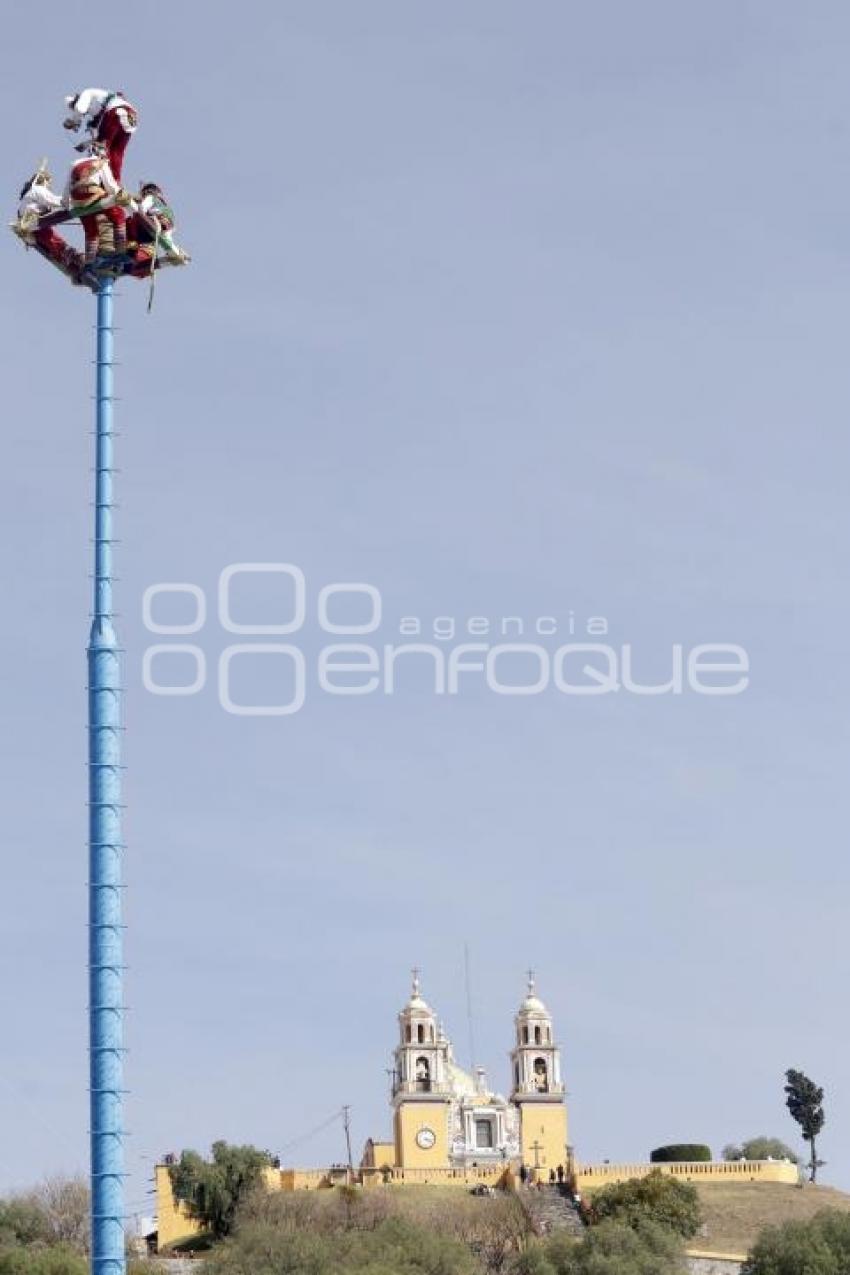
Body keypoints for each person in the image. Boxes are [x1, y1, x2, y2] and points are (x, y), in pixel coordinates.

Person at [12, 161, 86, 285]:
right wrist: (74, 202)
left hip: (30, 227)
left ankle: (72, 266)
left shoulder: (26, 199)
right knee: (54, 241)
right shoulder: (37, 189)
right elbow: (55, 201)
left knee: (50, 246)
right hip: (34, 223)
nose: (49, 185)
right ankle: (74, 257)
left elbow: (47, 207)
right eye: (48, 182)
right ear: (43, 180)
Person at [64, 141, 131, 263]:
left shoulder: (74, 163)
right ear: (100, 152)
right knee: (119, 215)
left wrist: (66, 205)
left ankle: (89, 264)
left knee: (91, 231)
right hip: (91, 194)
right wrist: (121, 197)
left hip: (77, 200)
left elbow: (67, 187)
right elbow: (111, 186)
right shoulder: (101, 163)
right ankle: (120, 253)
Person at [63, 88, 138, 181]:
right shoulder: (98, 112)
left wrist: (73, 121)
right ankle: (115, 181)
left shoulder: (87, 93)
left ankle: (99, 178)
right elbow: (99, 138)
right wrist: (85, 144)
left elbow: (80, 108)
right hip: (131, 117)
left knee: (102, 150)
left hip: (115, 112)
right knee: (116, 152)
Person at [124, 181, 189, 275]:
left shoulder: (151, 198)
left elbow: (142, 208)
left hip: (148, 226)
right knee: (133, 268)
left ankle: (127, 251)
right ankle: (133, 257)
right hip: (154, 233)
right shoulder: (169, 211)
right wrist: (170, 247)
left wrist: (136, 207)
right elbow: (167, 235)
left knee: (128, 223)